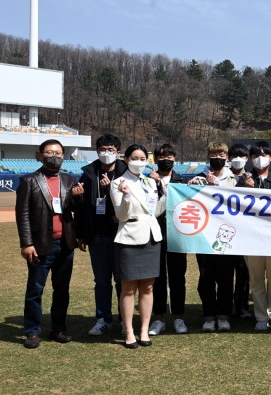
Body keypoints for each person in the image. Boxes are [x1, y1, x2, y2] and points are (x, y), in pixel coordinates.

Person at [17, 139, 84, 349]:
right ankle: (32, 331)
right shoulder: (30, 181)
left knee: (62, 289)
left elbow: (74, 210)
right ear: (40, 155)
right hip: (40, 244)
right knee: (35, 290)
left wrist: (78, 198)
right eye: (48, 152)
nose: (53, 156)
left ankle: (58, 328)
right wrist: (27, 243)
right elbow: (23, 215)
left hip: (65, 243)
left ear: (64, 155)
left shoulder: (69, 179)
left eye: (57, 152)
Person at [109, 144, 166, 348]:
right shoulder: (118, 183)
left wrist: (164, 191)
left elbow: (155, 211)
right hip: (129, 238)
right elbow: (121, 215)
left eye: (143, 158)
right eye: (135, 158)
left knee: (148, 287)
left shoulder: (150, 182)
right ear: (126, 160)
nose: (139, 162)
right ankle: (129, 331)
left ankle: (144, 330)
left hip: (151, 238)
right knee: (128, 288)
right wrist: (125, 195)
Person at [75, 133, 127, 336]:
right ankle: (103, 318)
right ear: (97, 152)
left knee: (123, 280)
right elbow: (81, 207)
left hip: (122, 234)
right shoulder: (88, 173)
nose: (107, 153)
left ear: (118, 152)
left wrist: (110, 191)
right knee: (102, 281)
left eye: (111, 150)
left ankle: (125, 319)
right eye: (103, 150)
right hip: (97, 236)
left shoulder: (126, 172)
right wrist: (81, 234)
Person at [189, 142, 238, 332]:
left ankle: (224, 314)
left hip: (228, 236)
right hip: (205, 236)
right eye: (213, 154)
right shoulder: (198, 178)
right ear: (208, 156)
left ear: (226, 157)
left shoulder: (234, 179)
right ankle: (208, 315)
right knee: (206, 278)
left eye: (221, 154)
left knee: (226, 277)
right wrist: (192, 186)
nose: (217, 157)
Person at [239, 141, 271, 331]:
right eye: (256, 154)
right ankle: (260, 316)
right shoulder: (243, 181)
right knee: (256, 278)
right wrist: (245, 188)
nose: (260, 158)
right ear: (251, 158)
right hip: (251, 238)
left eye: (265, 154)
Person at [148, 143, 189, 335]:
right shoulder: (147, 180)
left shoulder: (182, 181)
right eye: (162, 157)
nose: (166, 160)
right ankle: (158, 318)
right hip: (154, 234)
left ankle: (179, 317)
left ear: (175, 159)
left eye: (170, 157)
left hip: (177, 235)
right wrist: (153, 183)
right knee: (157, 277)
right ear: (156, 160)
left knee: (177, 277)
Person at [228, 143, 252, 320]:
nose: (238, 160)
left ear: (247, 159)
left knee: (244, 273)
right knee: (227, 273)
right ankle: (227, 306)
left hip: (245, 233)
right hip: (226, 230)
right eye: (234, 156)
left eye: (242, 156)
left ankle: (242, 305)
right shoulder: (223, 178)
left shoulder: (250, 178)